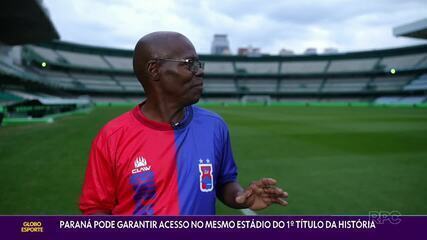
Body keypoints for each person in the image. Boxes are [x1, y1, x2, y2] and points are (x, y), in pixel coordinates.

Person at [79, 31, 288, 215]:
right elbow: (96, 209)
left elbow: (224, 182)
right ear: (154, 69)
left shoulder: (214, 126)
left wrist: (242, 197)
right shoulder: (113, 136)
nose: (200, 71)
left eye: (199, 64)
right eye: (190, 64)